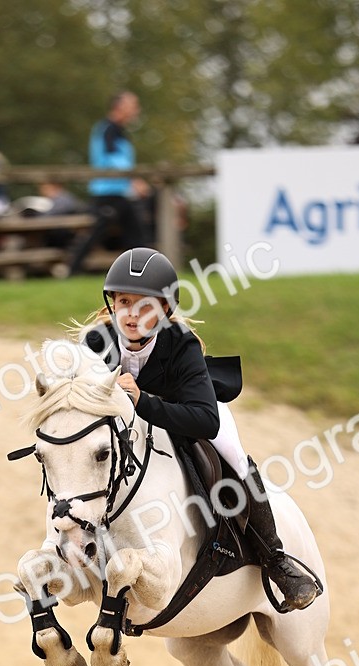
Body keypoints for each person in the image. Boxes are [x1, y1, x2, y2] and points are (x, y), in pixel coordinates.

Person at [79, 247, 321, 610]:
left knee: (234, 456)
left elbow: (204, 419)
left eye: (144, 305)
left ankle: (275, 558)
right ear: (112, 302)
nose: (132, 313)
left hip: (188, 409)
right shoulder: (96, 343)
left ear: (164, 310)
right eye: (124, 301)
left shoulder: (182, 344)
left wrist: (143, 401)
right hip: (126, 426)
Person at [67, 92, 145, 275]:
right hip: (107, 193)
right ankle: (70, 270)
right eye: (134, 105)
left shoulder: (118, 131)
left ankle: (141, 275)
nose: (137, 110)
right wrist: (133, 179)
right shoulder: (108, 129)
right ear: (119, 107)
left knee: (136, 235)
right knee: (96, 234)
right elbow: (112, 159)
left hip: (119, 192)